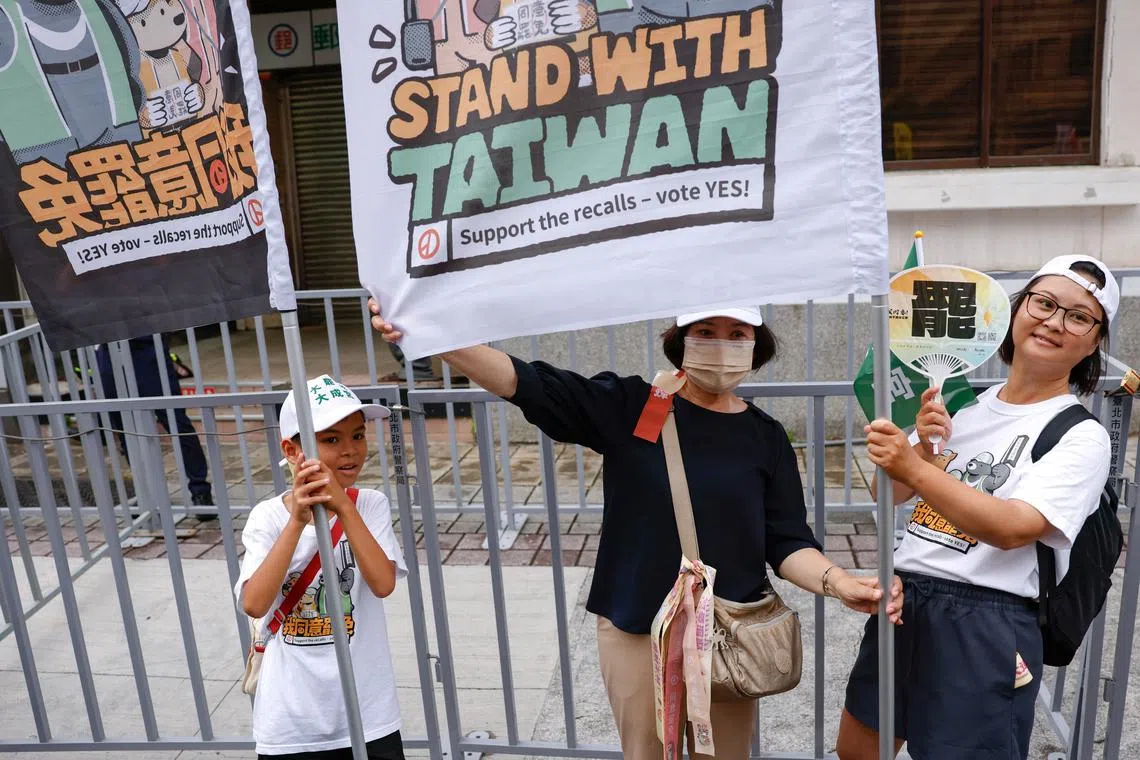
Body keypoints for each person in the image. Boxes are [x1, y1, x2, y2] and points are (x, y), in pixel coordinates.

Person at [370, 300, 903, 759]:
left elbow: (787, 542)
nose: (722, 345)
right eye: (705, 333)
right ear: (681, 341)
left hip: (728, 634)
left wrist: (839, 582)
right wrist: (433, 335)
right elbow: (525, 382)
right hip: (636, 630)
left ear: (756, 346)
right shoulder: (631, 407)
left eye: (737, 334)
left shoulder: (765, 437)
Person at [836, 255, 1118, 760]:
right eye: (1044, 303)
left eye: (1078, 316)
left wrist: (917, 468)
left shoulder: (1080, 435)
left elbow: (1015, 528)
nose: (1053, 321)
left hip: (986, 623)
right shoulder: (962, 405)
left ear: (1095, 341)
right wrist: (921, 448)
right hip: (906, 603)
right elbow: (889, 495)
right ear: (1017, 310)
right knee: (858, 748)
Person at [235, 374, 407, 759]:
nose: (350, 451)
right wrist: (297, 521)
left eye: (358, 435)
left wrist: (343, 506)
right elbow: (254, 603)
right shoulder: (268, 518)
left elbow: (382, 583)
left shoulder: (369, 505)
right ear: (292, 450)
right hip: (292, 721)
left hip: (369, 713)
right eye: (331, 439)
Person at [95, 335, 214, 517]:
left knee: (176, 422)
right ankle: (147, 494)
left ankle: (200, 491)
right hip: (109, 352)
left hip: (146, 349)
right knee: (124, 428)